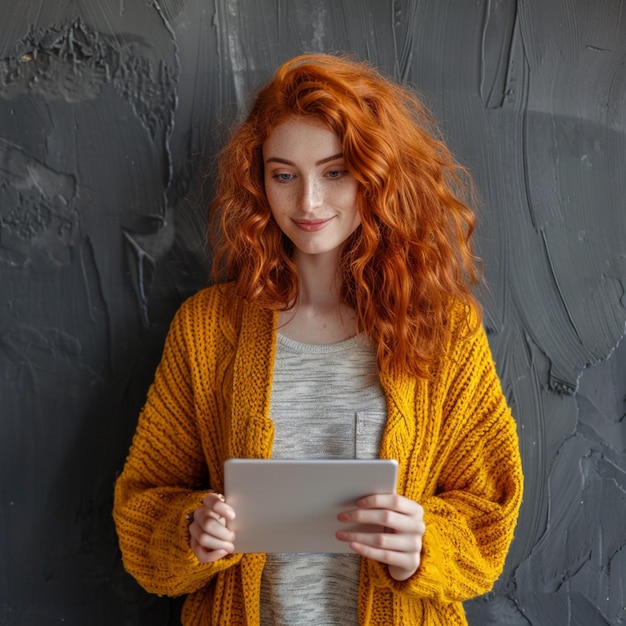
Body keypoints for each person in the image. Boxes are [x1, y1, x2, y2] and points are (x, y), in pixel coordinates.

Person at [113, 53, 523, 625]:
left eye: (335, 172)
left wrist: (423, 544)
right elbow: (142, 507)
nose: (307, 202)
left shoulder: (442, 328)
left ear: (375, 174)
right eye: (284, 175)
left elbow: (490, 515)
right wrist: (191, 529)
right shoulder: (207, 329)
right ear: (259, 181)